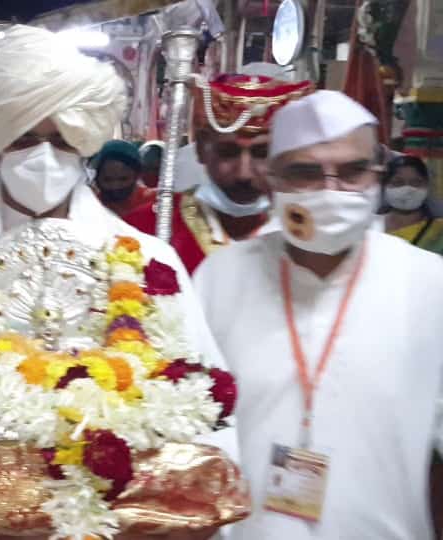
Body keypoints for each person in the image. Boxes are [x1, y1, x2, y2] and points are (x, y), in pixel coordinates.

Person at [0, 26, 232, 539]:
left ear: (84, 144)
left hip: (116, 520)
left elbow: (202, 402)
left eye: (60, 139)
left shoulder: (149, 262)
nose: (43, 156)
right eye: (26, 138)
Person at [194, 90, 443, 539]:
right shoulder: (219, 278)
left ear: (377, 175)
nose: (333, 190)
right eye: (306, 173)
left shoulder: (428, 282)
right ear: (273, 179)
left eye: (353, 171)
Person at [126, 73, 314, 273]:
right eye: (228, 153)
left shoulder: (308, 233)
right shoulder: (144, 228)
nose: (244, 173)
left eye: (261, 154)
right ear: (201, 150)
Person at [381, 155, 443, 255]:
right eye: (398, 182)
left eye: (416, 182)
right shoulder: (370, 226)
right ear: (384, 186)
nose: (407, 189)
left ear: (427, 186)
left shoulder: (439, 231)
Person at [91, 140, 157, 217]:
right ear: (96, 178)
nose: (115, 186)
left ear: (137, 176)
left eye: (123, 179)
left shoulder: (156, 201)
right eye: (107, 180)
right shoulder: (90, 207)